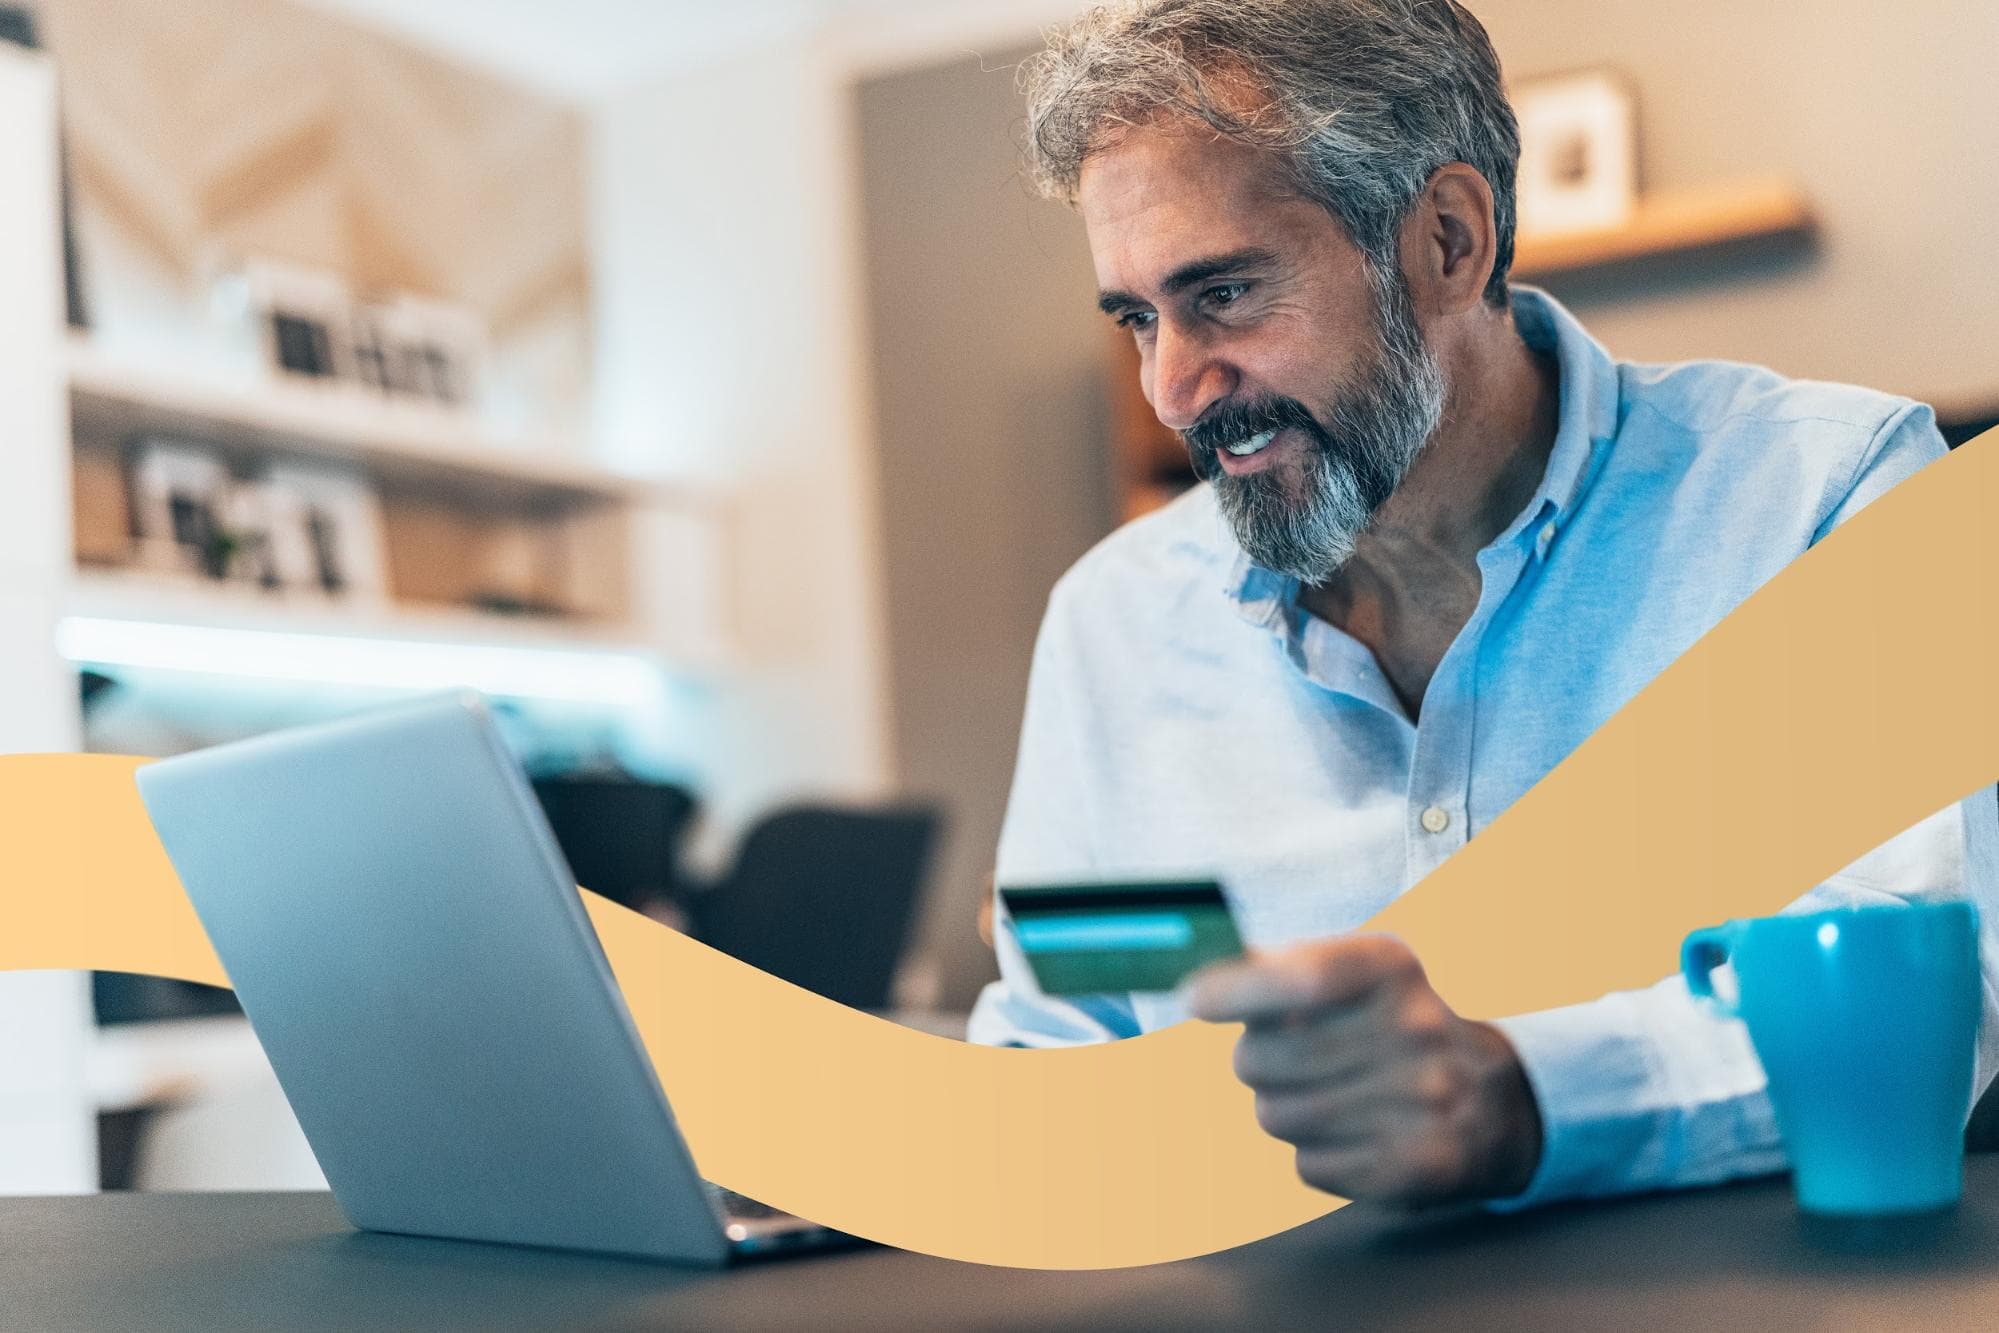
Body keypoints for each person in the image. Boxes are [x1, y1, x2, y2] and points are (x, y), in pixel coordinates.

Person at [966, 0, 1999, 1211]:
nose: (1174, 389)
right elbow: (1060, 1041)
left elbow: (1926, 986)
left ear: (1450, 241)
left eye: (1227, 295)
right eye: (1138, 317)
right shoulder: (1120, 623)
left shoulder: (1819, 499)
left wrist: (1526, 1092)